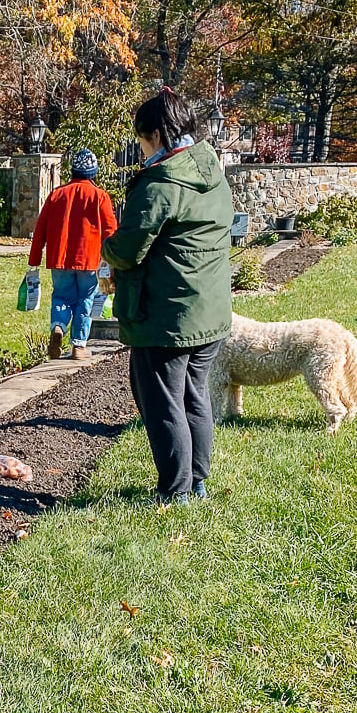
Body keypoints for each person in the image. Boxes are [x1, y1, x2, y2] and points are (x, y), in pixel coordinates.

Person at [101, 87, 233, 505]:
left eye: (141, 141)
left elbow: (126, 249)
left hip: (166, 316)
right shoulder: (212, 173)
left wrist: (106, 249)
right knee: (195, 395)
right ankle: (197, 482)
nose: (140, 150)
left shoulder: (162, 183)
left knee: (162, 402)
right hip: (209, 312)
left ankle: (174, 492)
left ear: (156, 135)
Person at [26, 148, 118, 362]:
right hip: (89, 259)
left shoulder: (56, 194)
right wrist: (114, 258)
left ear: (73, 171)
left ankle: (58, 325)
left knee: (61, 296)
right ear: (93, 172)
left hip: (59, 258)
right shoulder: (100, 196)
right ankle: (79, 346)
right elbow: (110, 231)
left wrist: (34, 259)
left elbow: (40, 229)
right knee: (85, 299)